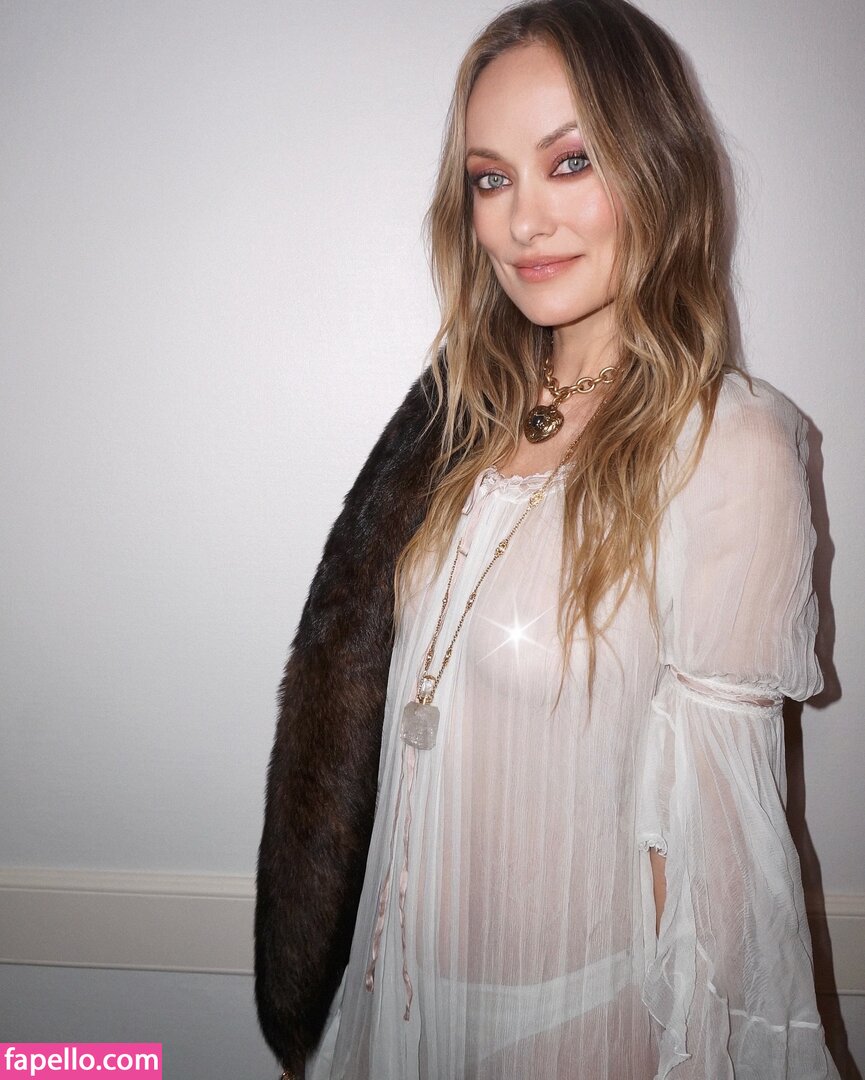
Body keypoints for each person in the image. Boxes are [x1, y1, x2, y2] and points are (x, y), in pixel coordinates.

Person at [255, 0, 840, 1076]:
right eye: (491, 179)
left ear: (658, 167)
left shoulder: (729, 448)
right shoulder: (455, 420)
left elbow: (714, 885)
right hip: (394, 1012)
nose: (523, 221)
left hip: (571, 1038)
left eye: (570, 163)